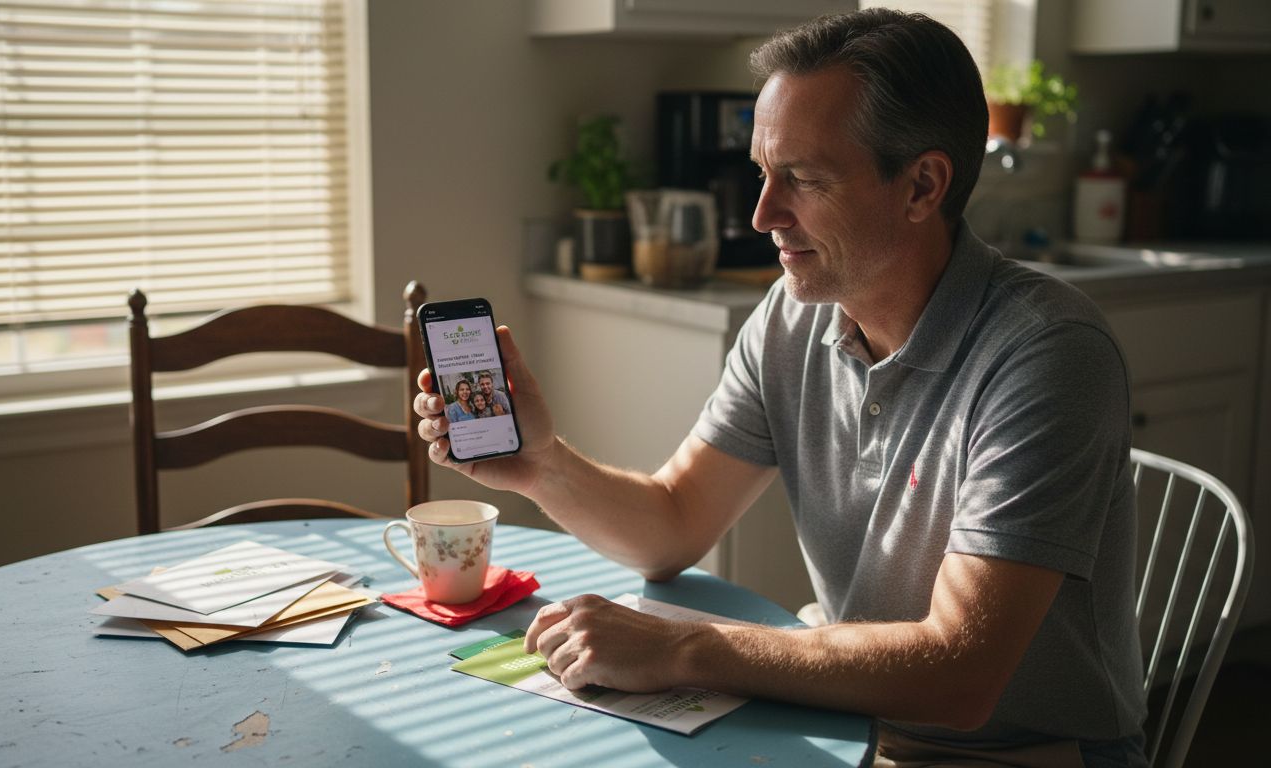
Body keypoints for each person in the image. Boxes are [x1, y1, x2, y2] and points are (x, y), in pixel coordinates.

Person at [415, 9, 1145, 767]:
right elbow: (673, 525)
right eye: (764, 173)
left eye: (803, 178)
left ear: (922, 185)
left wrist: (684, 649)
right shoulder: (795, 316)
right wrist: (542, 464)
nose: (764, 214)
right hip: (844, 720)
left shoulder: (1048, 353)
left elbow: (958, 676)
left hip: (1017, 755)